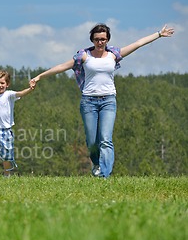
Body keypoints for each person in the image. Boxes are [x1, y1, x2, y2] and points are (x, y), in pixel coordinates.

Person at [30, 23, 174, 178]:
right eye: (97, 39)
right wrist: (39, 77)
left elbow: (138, 44)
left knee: (106, 139)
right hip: (88, 102)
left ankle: (104, 175)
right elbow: (61, 67)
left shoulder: (114, 54)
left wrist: (158, 34)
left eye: (103, 39)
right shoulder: (84, 55)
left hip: (108, 101)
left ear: (107, 40)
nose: (100, 42)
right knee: (92, 142)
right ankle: (97, 164)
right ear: (92, 40)